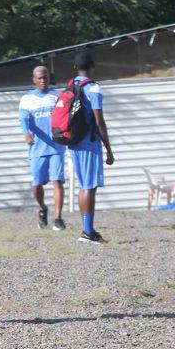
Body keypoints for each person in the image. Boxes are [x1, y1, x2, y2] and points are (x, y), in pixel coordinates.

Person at [68, 52, 115, 243]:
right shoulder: (93, 88)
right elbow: (99, 121)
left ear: (76, 68)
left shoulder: (71, 86)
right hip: (88, 143)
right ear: (92, 66)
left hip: (73, 143)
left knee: (83, 186)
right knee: (89, 186)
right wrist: (109, 150)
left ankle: (87, 229)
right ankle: (87, 232)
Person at [19, 66, 66, 230]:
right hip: (37, 147)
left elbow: (66, 115)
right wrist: (26, 133)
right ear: (34, 79)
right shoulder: (27, 99)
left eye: (45, 77)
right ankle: (42, 208)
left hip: (56, 147)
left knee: (57, 181)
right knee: (37, 184)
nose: (42, 80)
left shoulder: (57, 96)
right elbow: (23, 119)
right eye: (39, 78)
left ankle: (58, 218)